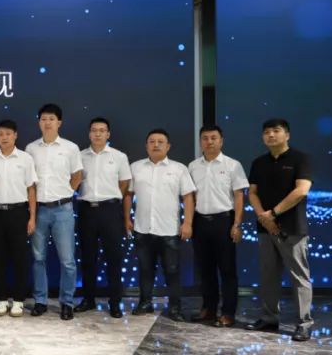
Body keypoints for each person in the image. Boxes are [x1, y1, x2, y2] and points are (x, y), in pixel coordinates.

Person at [246, 118, 314, 342]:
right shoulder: (258, 162)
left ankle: (304, 323)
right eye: (266, 132)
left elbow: (301, 191)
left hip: (292, 228)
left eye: (276, 131)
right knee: (268, 275)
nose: (271, 135)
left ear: (287, 135)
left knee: (299, 276)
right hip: (265, 228)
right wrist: (263, 217)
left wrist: (273, 214)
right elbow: (252, 193)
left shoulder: (300, 159)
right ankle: (269, 318)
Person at [125, 129, 196, 321]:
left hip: (169, 230)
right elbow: (129, 195)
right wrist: (127, 218)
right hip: (143, 228)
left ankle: (175, 308)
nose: (156, 145)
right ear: (146, 145)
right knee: (145, 269)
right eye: (152, 141)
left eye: (160, 142)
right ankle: (145, 303)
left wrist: (187, 222)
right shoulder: (136, 167)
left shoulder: (179, 168)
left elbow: (188, 196)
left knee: (172, 270)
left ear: (168, 146)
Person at [26, 104, 83, 320]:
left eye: (51, 119)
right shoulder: (31, 148)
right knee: (38, 258)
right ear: (39, 122)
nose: (47, 122)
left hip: (63, 209)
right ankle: (40, 301)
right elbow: (29, 182)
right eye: (43, 119)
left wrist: (67, 192)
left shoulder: (70, 148)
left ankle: (67, 302)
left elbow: (77, 175)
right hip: (39, 209)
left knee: (67, 260)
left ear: (59, 122)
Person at [188, 125, 248, 327]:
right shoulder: (193, 166)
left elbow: (239, 196)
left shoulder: (233, 165)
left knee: (227, 270)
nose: (209, 141)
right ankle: (209, 309)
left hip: (224, 221)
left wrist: (237, 224)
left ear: (221, 141)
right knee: (205, 270)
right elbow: (191, 197)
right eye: (205, 138)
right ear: (200, 142)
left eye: (213, 138)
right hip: (200, 222)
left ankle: (228, 312)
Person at [75, 117, 132, 319]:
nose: (97, 133)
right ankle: (88, 299)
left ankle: (115, 302)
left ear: (108, 134)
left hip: (110, 211)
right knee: (87, 258)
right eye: (94, 130)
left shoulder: (119, 156)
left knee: (113, 258)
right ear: (89, 133)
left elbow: (124, 183)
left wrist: (111, 197)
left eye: (102, 130)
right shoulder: (79, 156)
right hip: (86, 210)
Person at [0, 120, 37, 318]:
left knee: (20, 259)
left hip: (19, 212)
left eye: (8, 134)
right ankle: (2, 300)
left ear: (15, 135)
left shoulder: (25, 159)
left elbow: (31, 189)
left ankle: (18, 301)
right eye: (1, 134)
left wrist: (32, 216)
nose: (4, 137)